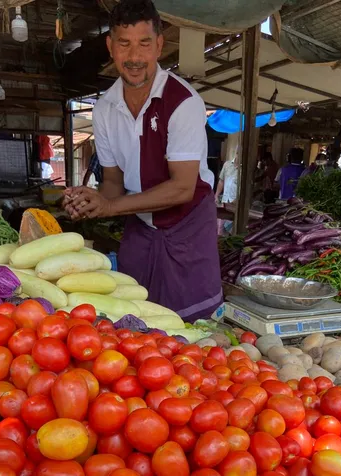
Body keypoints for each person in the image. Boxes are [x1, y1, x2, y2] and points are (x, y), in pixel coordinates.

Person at [63, 0, 222, 322]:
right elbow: (112, 182)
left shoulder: (183, 102)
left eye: (144, 44)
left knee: (190, 324)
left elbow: (181, 188)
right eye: (124, 44)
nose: (134, 58)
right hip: (140, 220)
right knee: (132, 312)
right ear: (111, 46)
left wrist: (109, 207)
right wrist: (91, 202)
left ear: (159, 46)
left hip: (187, 222)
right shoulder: (105, 108)